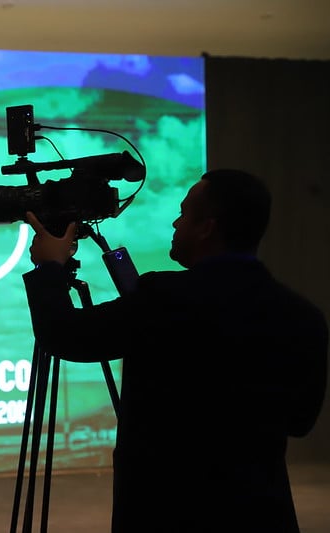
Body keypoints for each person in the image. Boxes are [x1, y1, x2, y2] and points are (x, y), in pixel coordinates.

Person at [23, 169, 328, 532]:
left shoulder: (160, 298)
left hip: (165, 513)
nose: (174, 221)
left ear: (206, 228)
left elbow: (62, 335)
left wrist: (49, 267)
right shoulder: (303, 316)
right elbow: (300, 422)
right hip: (261, 514)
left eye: (183, 213)